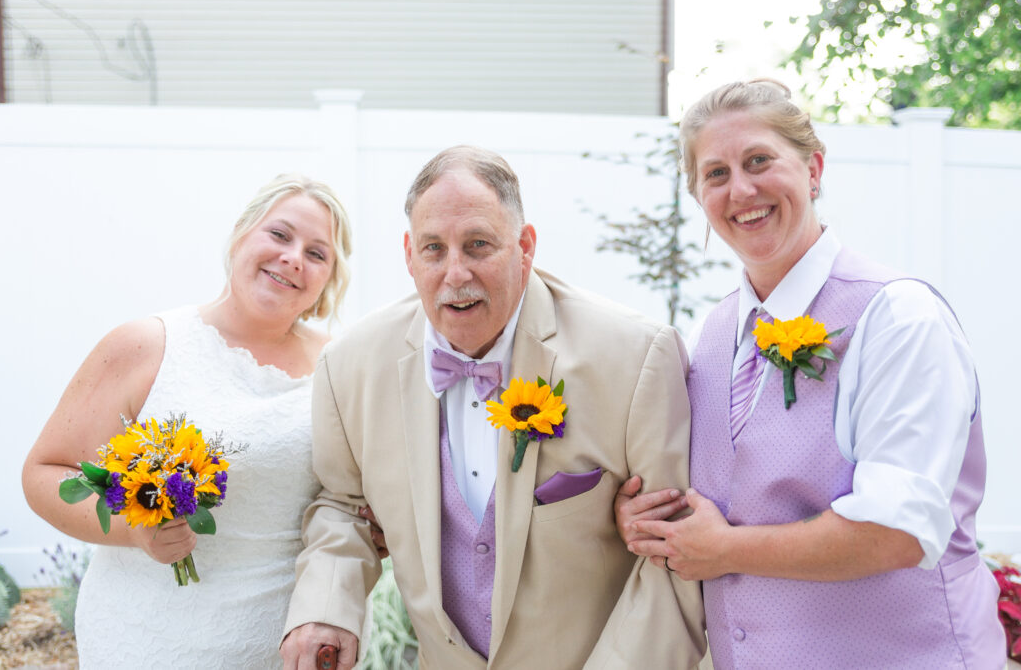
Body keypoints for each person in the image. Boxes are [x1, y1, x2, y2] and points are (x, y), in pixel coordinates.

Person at [616, 79, 1005, 669]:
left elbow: (896, 531)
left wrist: (724, 550)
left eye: (759, 161)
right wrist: (648, 520)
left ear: (814, 168)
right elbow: (705, 497)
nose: (741, 188)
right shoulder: (710, 337)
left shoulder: (899, 318)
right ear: (698, 195)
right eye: (715, 174)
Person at [280, 145, 706, 669]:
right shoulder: (349, 367)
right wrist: (326, 608)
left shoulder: (636, 357)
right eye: (434, 249)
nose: (456, 273)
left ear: (525, 247)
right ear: (409, 254)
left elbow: (676, 555)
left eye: (478, 245)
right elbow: (342, 507)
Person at [22, 173, 353, 669]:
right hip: (142, 639)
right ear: (242, 232)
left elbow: (351, 503)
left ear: (328, 279)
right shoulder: (145, 345)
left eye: (317, 253)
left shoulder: (342, 369)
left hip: (277, 648)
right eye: (280, 235)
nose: (293, 258)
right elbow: (44, 473)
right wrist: (134, 527)